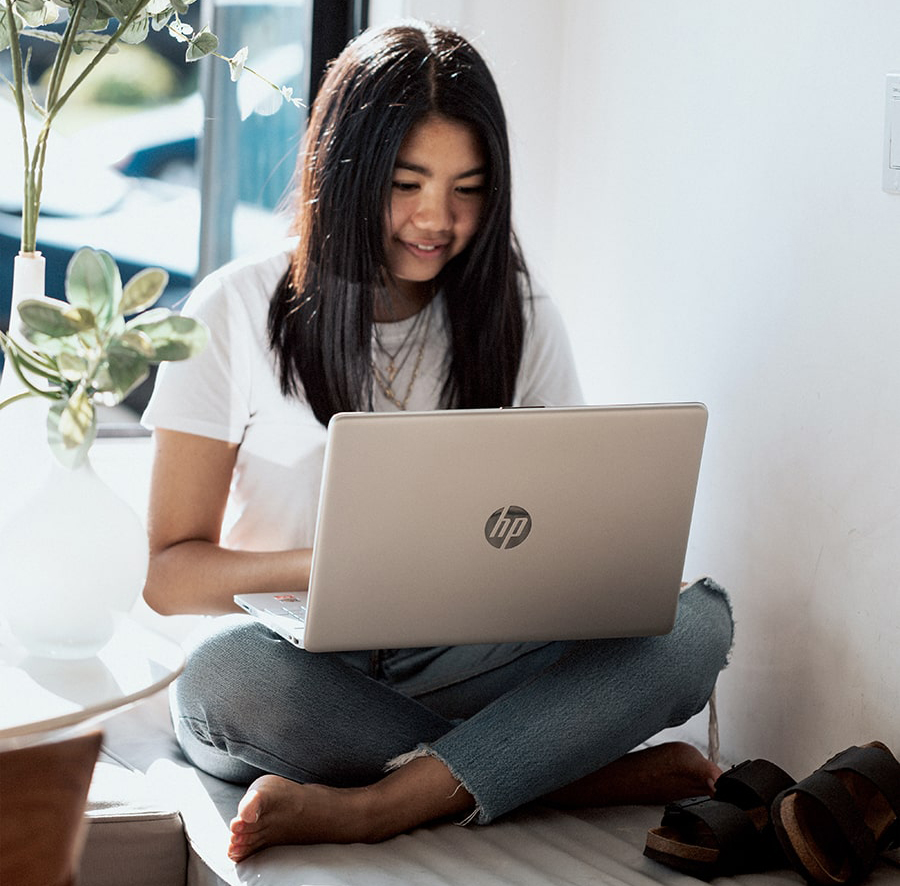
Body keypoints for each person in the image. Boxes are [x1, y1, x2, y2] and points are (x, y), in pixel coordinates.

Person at [141, 20, 734, 863]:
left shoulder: (518, 317)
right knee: (222, 682)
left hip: (463, 660)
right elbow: (170, 575)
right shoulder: (234, 310)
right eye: (407, 182)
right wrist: (340, 564)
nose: (435, 218)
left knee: (697, 619)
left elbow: (556, 529)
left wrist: (598, 575)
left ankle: (383, 805)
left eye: (468, 188)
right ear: (344, 175)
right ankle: (555, 768)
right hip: (304, 670)